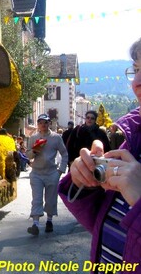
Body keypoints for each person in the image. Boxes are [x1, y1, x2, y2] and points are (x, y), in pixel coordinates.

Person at [59, 38, 141, 271]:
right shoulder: (133, 141)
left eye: (91, 119)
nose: (136, 83)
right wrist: (85, 180)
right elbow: (108, 223)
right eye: (136, 70)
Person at [26, 113, 68, 235]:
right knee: (36, 198)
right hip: (37, 173)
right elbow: (28, 155)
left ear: (49, 123)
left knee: (50, 199)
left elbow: (64, 154)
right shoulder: (33, 137)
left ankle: (49, 221)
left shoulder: (56, 138)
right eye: (40, 123)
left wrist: (60, 171)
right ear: (38, 124)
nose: (43, 125)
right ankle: (35, 224)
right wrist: (34, 150)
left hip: (51, 173)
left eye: (45, 123)